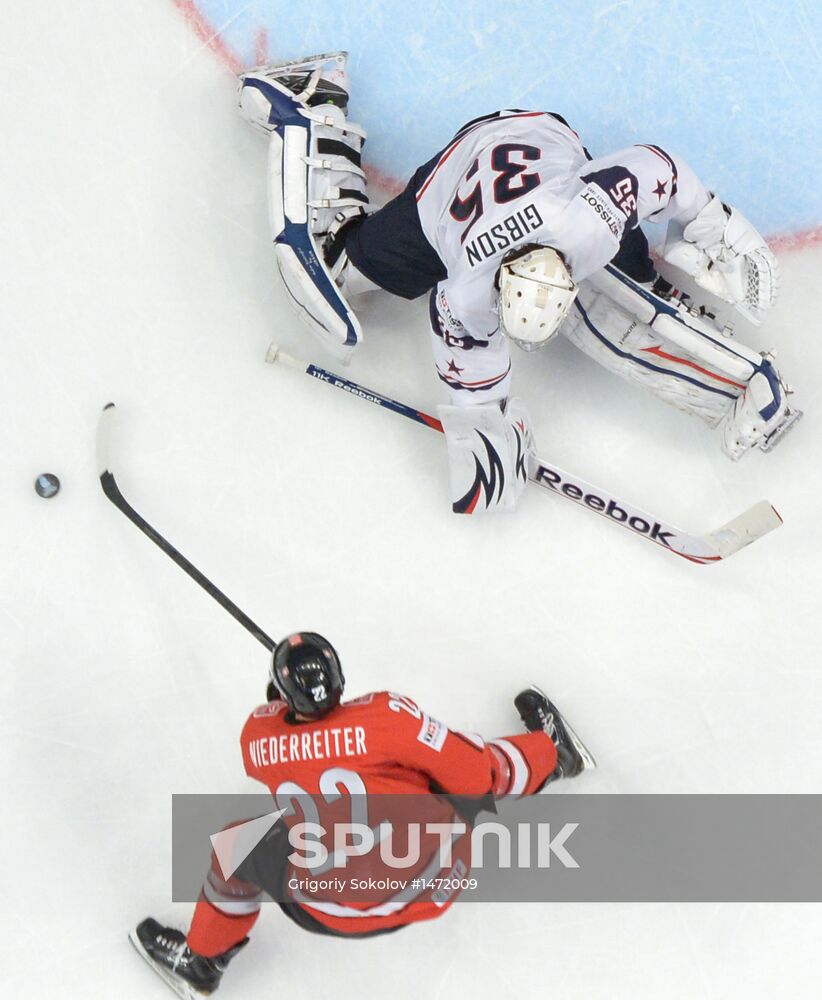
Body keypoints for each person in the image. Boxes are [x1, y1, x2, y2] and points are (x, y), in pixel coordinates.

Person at [236, 52, 800, 515]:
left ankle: (646, 284)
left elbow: (660, 169)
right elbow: (475, 392)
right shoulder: (463, 297)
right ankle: (313, 102)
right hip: (449, 182)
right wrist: (485, 437)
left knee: (614, 283)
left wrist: (713, 223)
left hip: (535, 138)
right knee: (344, 268)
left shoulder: (589, 216)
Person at [130, 632, 593, 997]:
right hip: (436, 882)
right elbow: (472, 776)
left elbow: (276, 725)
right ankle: (553, 755)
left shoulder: (258, 740)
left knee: (236, 849)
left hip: (328, 910)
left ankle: (202, 962)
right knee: (462, 766)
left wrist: (284, 701)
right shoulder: (388, 718)